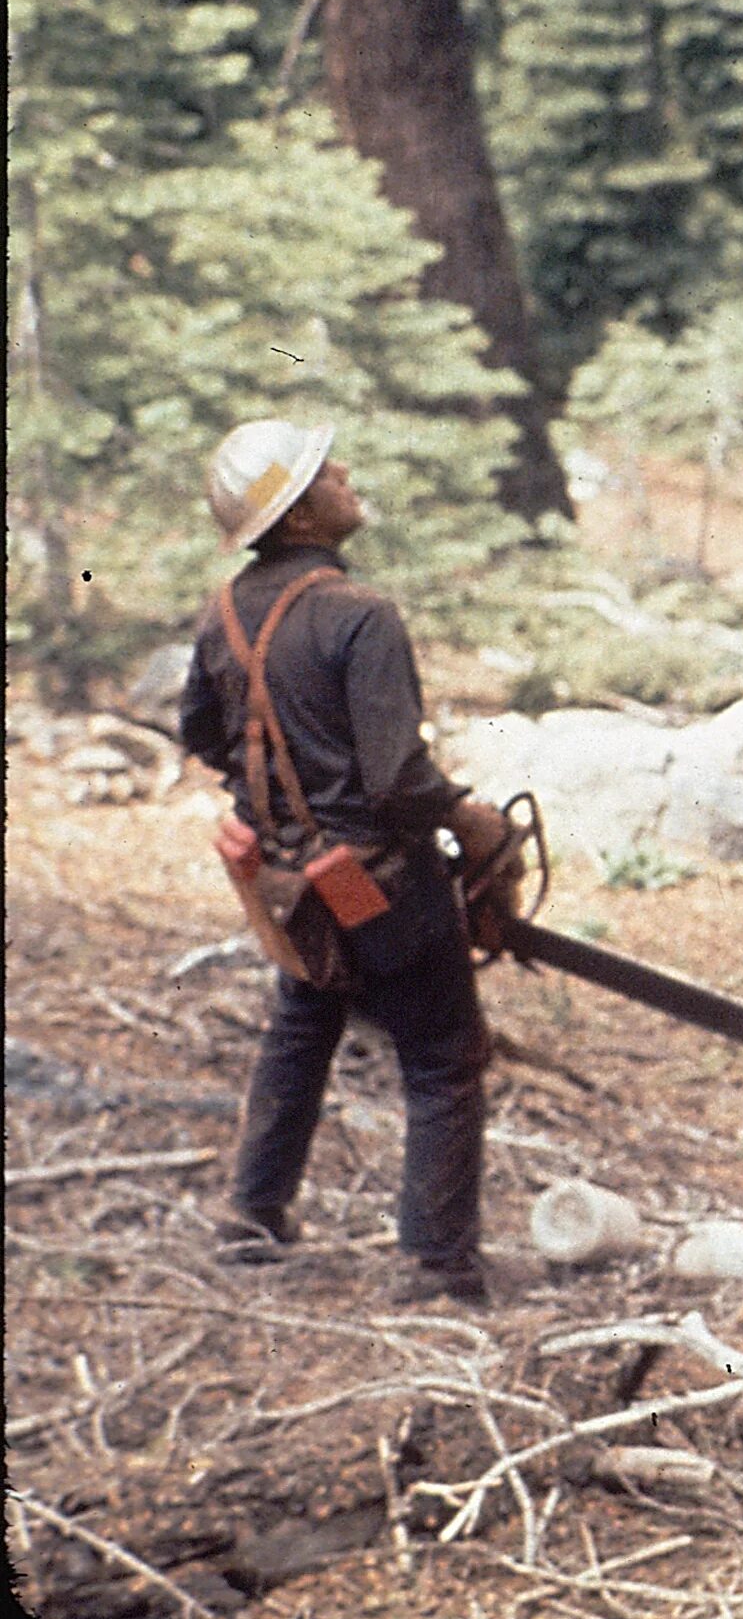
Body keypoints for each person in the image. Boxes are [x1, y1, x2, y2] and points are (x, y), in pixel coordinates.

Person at [178, 420, 517, 1306]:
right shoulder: (360, 613)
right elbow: (399, 780)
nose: (347, 475)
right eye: (327, 472)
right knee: (444, 1056)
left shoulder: (221, 614)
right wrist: (467, 819)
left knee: (301, 1026)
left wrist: (281, 811)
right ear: (297, 517)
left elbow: (203, 736)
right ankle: (436, 1267)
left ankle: (251, 1217)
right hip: (381, 887)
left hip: (290, 889)